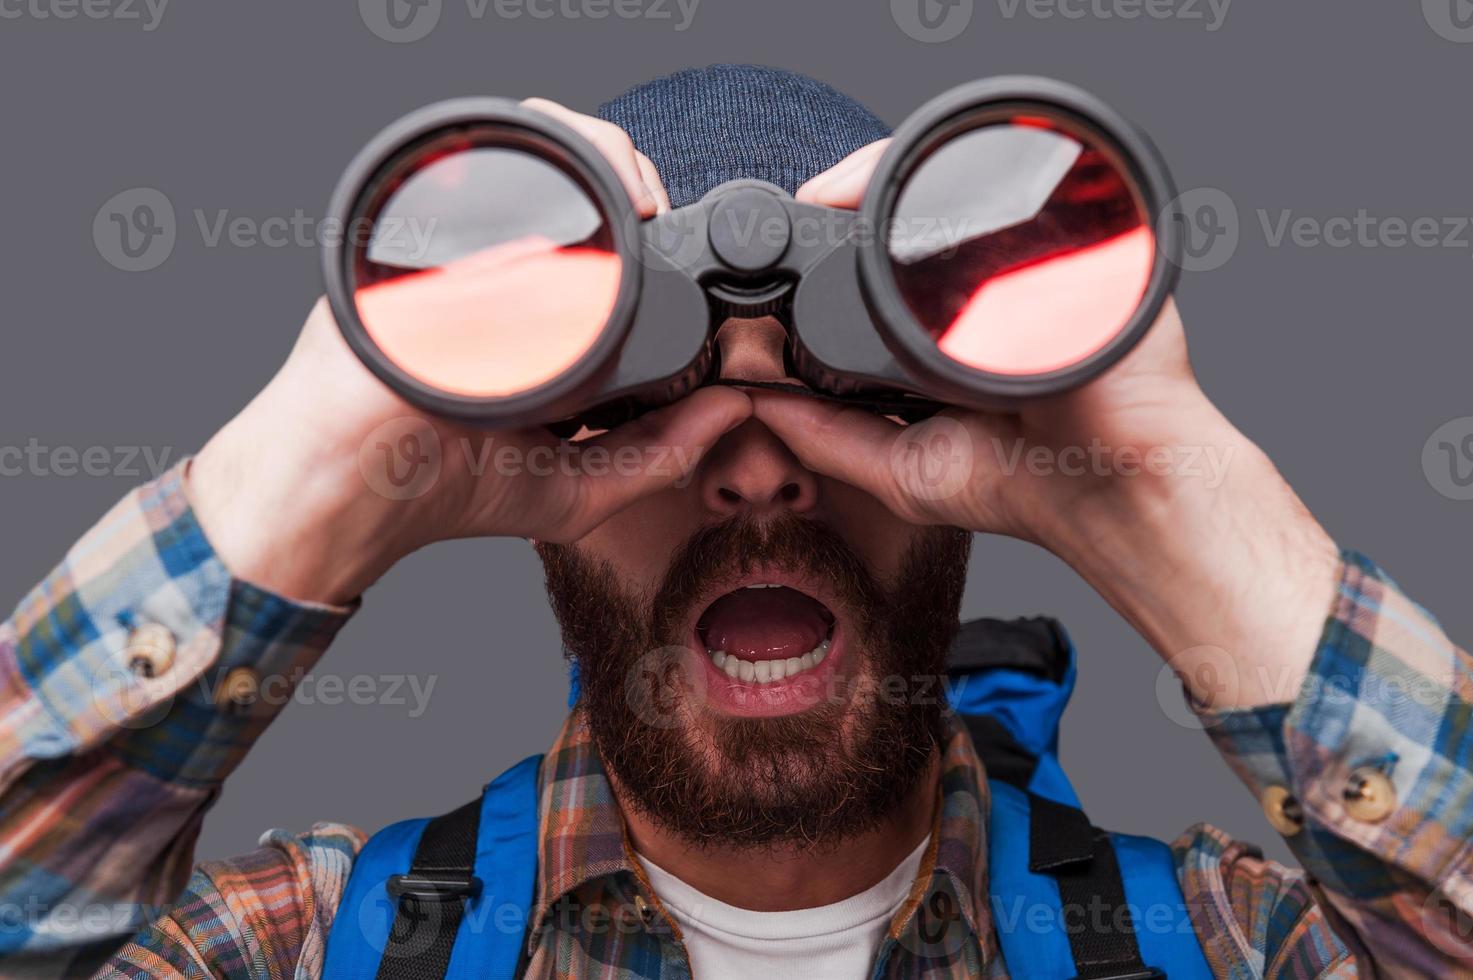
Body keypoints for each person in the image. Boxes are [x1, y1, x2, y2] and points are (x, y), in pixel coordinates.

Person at [2, 64, 1467, 979]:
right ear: (530, 453)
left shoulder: (1225, 948)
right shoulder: (315, 948)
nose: (759, 474)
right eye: (647, 404)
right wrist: (306, 479)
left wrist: (1166, 487)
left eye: (857, 402)